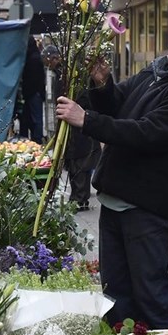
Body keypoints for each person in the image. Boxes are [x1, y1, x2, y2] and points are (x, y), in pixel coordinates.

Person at [54, 20, 168, 330]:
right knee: (115, 295)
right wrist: (102, 83)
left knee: (151, 295)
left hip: (146, 205)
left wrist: (86, 119)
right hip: (116, 197)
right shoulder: (157, 72)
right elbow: (118, 104)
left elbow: (147, 133)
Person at [42, 44, 101, 211]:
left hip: (80, 127)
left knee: (80, 164)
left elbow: (85, 100)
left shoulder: (76, 78)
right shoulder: (63, 76)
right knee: (75, 163)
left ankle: (80, 198)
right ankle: (78, 197)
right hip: (73, 126)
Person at [18, 38, 46, 142]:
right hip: (35, 92)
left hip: (33, 93)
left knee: (35, 118)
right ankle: (36, 138)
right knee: (35, 117)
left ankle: (37, 139)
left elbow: (32, 79)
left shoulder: (32, 59)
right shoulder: (35, 56)